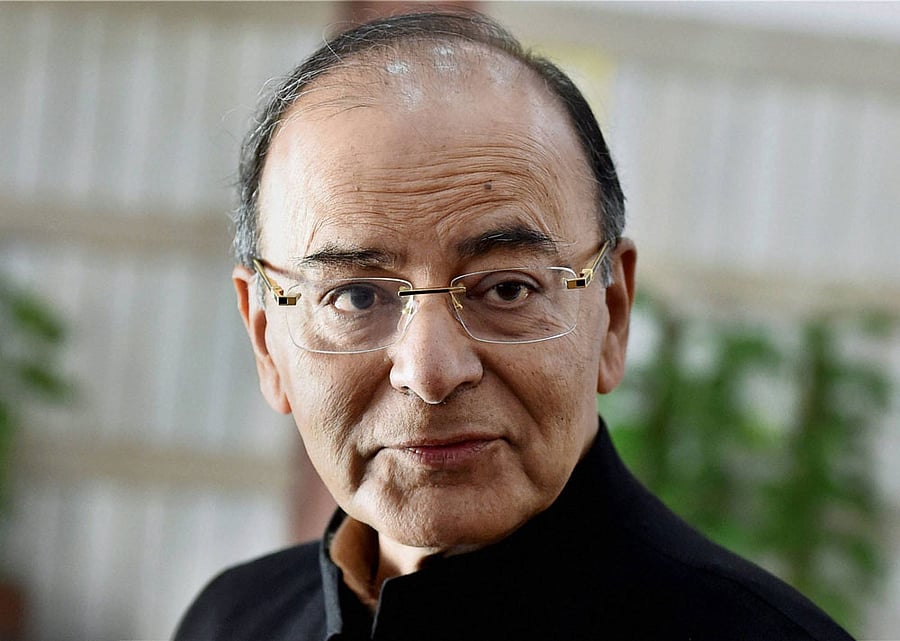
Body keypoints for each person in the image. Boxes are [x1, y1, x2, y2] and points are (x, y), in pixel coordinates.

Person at [174, 11, 853, 641]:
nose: (432, 370)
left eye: (506, 287)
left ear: (611, 314)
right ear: (266, 337)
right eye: (355, 297)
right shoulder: (234, 618)